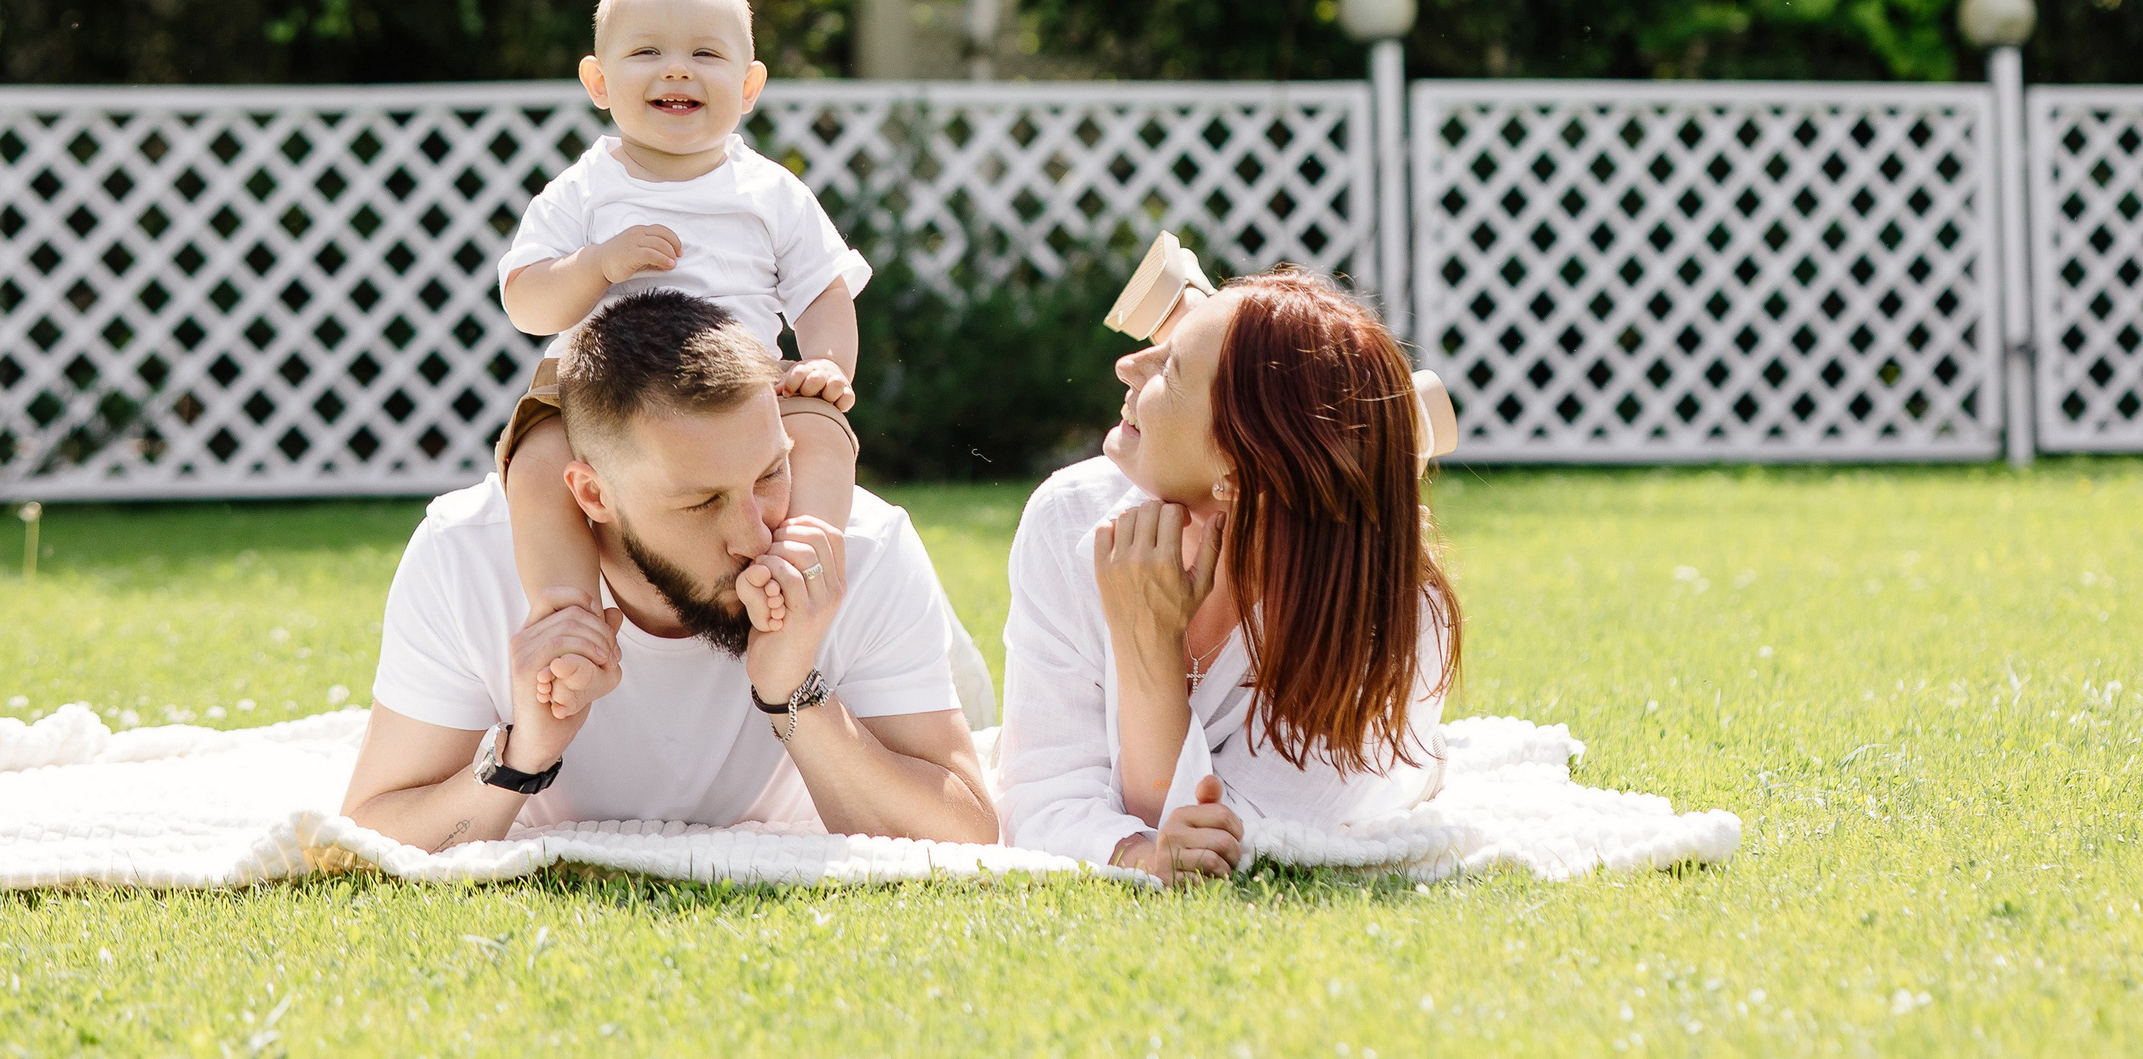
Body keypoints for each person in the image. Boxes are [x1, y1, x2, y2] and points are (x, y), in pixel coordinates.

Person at [340, 290, 996, 850]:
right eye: (702, 502)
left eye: (771, 472)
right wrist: (521, 756)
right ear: (592, 494)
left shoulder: (859, 547)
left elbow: (966, 834)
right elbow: (370, 835)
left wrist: (793, 690)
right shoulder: (465, 554)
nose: (755, 534)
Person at [995, 265, 1460, 885]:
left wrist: (1148, 646)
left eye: (1170, 370)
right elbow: (1042, 790)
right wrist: (1137, 855)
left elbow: (1239, 836)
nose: (1128, 367)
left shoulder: (1387, 617)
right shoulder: (1072, 518)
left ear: (1236, 473)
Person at [495, 0, 871, 716]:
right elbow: (526, 298)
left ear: (749, 86)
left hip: (745, 394)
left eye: (705, 52)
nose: (677, 69)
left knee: (825, 429)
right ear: (599, 82)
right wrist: (595, 264)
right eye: (647, 51)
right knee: (535, 458)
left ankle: (800, 561)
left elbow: (824, 291)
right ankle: (567, 611)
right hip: (601, 392)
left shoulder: (770, 191)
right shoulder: (584, 190)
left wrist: (826, 364)